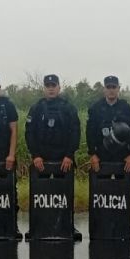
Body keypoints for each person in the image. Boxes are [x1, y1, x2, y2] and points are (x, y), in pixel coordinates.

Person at [24, 73, 82, 240]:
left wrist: (69, 155)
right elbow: (29, 133)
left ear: (59, 87)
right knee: (42, 196)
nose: (51, 89)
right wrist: (35, 155)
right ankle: (39, 226)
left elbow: (75, 132)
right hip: (41, 159)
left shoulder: (68, 108)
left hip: (63, 159)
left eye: (53, 86)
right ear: (44, 88)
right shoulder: (36, 108)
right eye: (48, 86)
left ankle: (68, 225)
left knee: (64, 195)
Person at [86, 75, 130, 173]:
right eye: (108, 87)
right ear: (104, 89)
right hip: (101, 156)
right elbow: (90, 133)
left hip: (123, 156)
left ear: (118, 88)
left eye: (114, 87)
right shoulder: (95, 108)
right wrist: (92, 154)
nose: (111, 90)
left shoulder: (127, 108)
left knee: (123, 183)